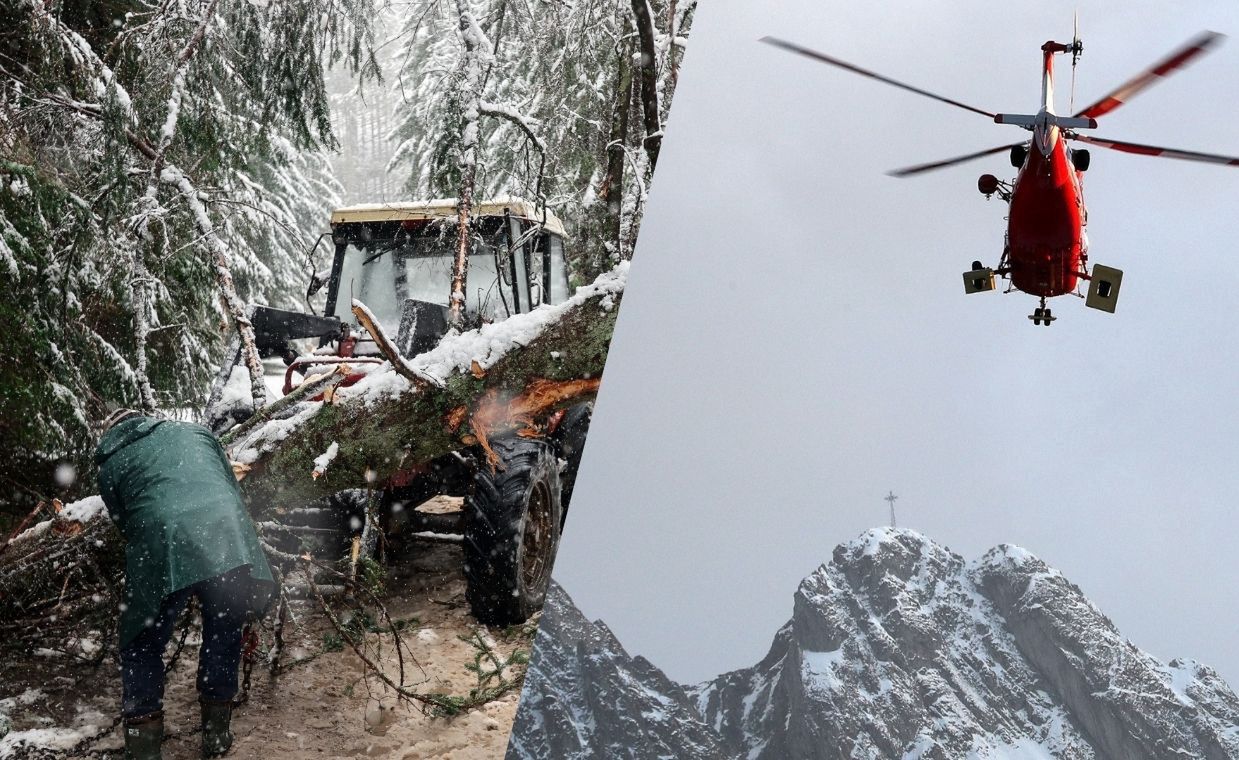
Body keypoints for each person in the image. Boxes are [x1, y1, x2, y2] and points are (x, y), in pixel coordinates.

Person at [96, 409, 274, 760]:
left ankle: (144, 746)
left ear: (111, 435)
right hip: (227, 536)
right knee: (223, 631)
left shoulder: (110, 463)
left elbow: (125, 525)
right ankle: (217, 736)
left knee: (141, 643)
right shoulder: (196, 432)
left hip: (165, 543)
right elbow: (229, 485)